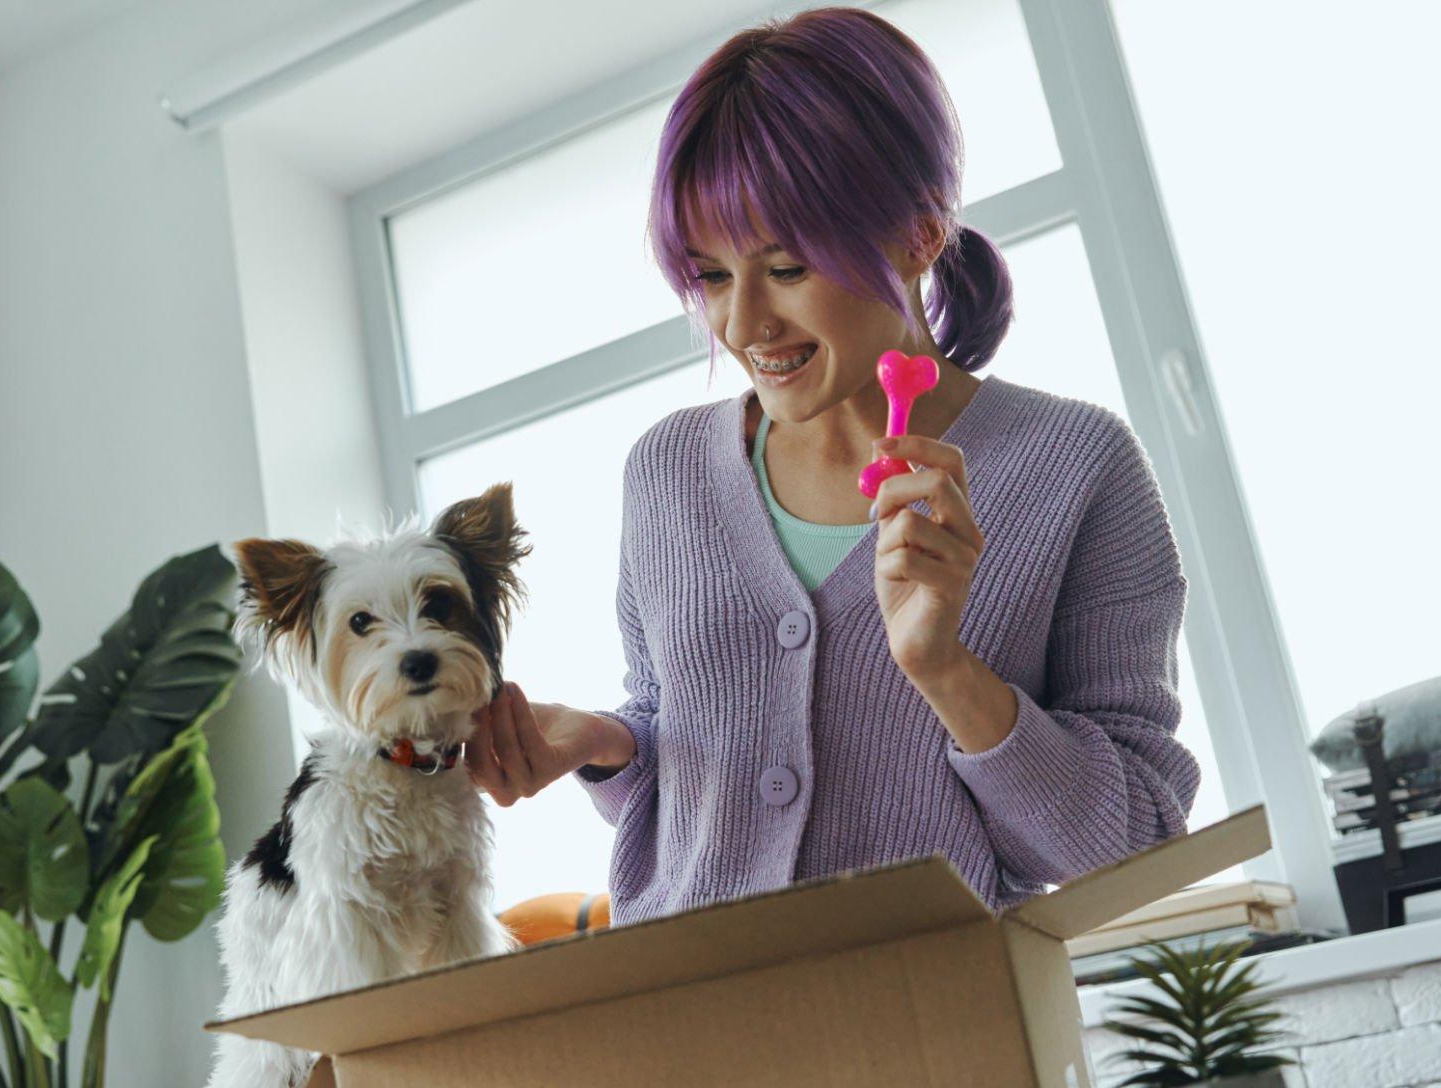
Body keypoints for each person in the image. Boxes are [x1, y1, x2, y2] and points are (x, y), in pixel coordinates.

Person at [463, 6, 1201, 925]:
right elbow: (680, 765)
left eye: (785, 268)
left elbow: (1137, 846)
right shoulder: (667, 474)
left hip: (938, 1033)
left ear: (920, 234)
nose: (742, 328)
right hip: (684, 1030)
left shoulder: (1078, 470)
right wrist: (607, 745)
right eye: (713, 277)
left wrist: (945, 672)